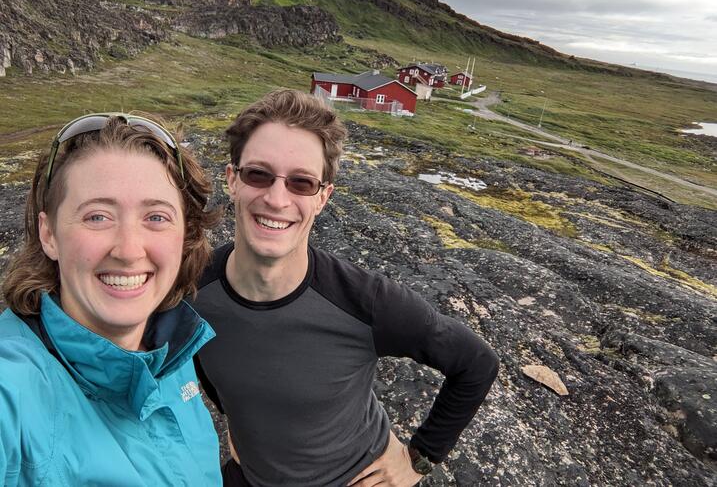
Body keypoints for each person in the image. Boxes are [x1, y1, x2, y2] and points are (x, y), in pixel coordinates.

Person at [194, 90, 500, 486]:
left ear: (323, 197)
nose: (276, 198)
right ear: (232, 180)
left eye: (301, 183)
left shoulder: (364, 301)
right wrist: (235, 422)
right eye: (258, 174)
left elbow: (476, 364)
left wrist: (419, 459)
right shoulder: (194, 289)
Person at [0, 113, 223, 486]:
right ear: (49, 234)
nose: (129, 250)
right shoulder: (16, 389)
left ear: (185, 235)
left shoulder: (171, 352)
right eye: (98, 216)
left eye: (156, 216)